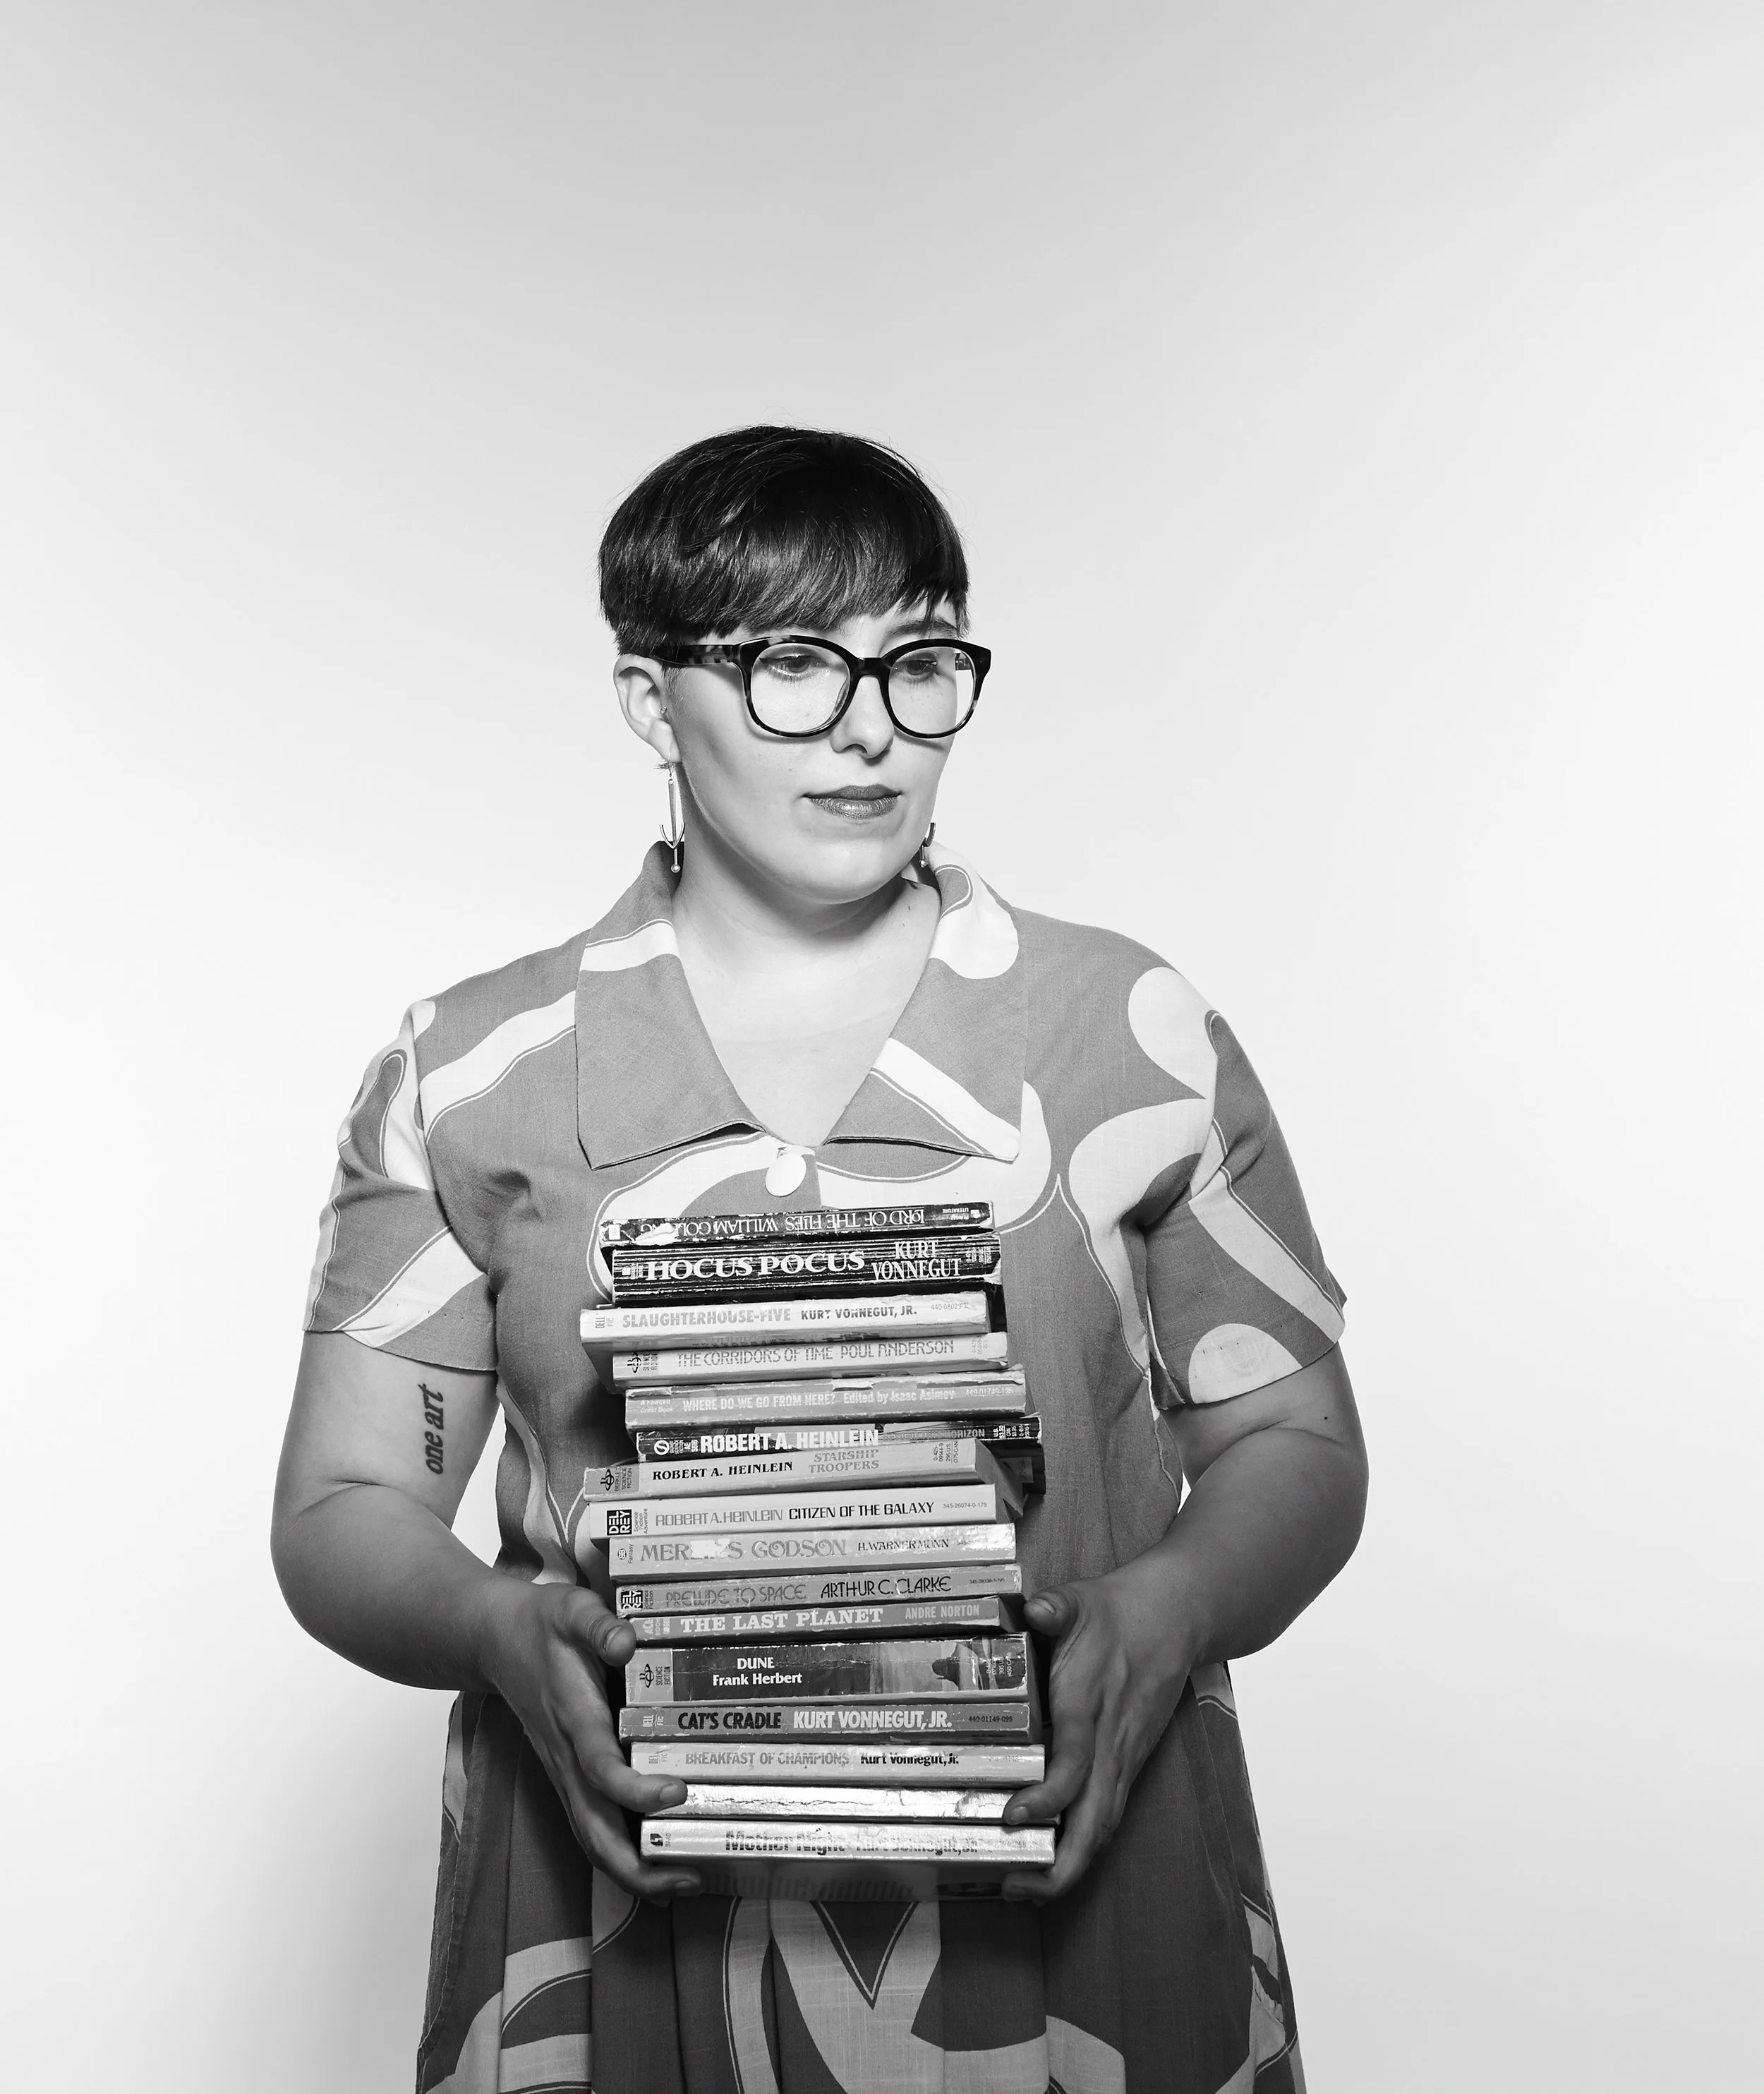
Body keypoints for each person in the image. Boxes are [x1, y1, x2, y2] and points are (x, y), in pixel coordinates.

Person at [273, 426, 1368, 2094]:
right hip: (622, 1910)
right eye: (793, 662)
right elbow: (343, 1506)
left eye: (919, 660)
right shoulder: (476, 1064)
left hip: (1073, 1901)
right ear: (651, 698)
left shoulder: (1127, 1031)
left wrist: (1163, 1612)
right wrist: (503, 1633)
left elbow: (1294, 1443)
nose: (869, 724)